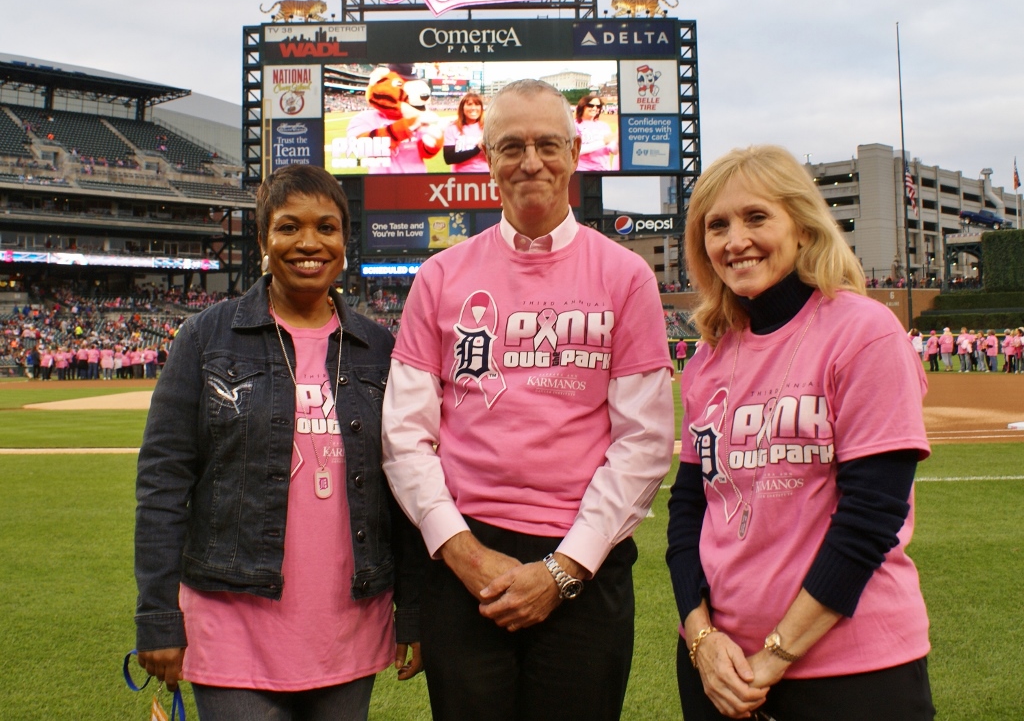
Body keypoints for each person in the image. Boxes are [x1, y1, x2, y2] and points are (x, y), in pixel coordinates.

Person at [381, 79, 675, 721]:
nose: (530, 161)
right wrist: (462, 553)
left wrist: (565, 569)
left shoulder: (626, 277)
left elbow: (645, 442)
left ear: (574, 151)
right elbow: (404, 435)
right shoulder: (438, 278)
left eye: (547, 143)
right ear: (487, 157)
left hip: (585, 563)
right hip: (464, 562)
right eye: (511, 145)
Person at [134, 164, 423, 720]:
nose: (309, 243)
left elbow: (403, 489)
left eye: (327, 227)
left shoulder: (378, 348)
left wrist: (411, 612)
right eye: (289, 227)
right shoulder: (207, 336)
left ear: (344, 241)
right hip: (231, 622)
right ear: (264, 239)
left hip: (348, 626)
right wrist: (157, 617)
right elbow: (163, 482)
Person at [666, 145, 934, 721]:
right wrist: (702, 641)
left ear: (804, 228)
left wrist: (774, 657)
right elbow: (687, 512)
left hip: (852, 673)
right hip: (719, 672)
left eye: (756, 217)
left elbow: (870, 518)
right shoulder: (708, 359)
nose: (735, 240)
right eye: (717, 225)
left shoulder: (863, 332)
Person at [442, 92, 488, 173]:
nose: (473, 108)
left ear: (481, 108)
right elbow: (449, 158)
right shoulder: (452, 128)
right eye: (469, 104)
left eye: (477, 104)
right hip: (460, 178)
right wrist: (477, 149)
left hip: (485, 176)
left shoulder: (489, 128)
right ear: (462, 108)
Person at [574, 94, 619, 172]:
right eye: (590, 105)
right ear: (582, 106)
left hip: (603, 170)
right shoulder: (574, 125)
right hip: (582, 170)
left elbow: (613, 151)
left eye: (598, 106)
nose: (595, 108)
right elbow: (577, 151)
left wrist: (618, 141)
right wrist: (604, 142)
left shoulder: (604, 126)